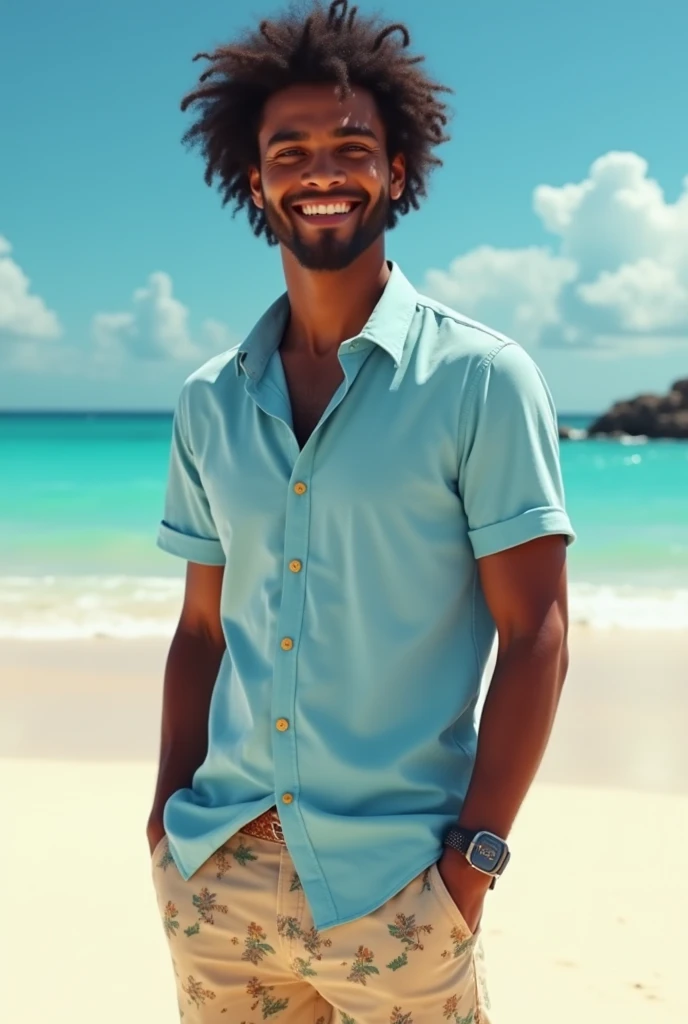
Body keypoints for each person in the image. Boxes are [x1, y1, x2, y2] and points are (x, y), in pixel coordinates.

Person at [147, 1, 576, 1021]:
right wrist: (164, 828)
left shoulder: (481, 378)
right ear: (254, 179)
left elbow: (536, 634)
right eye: (288, 149)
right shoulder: (209, 400)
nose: (320, 168)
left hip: (398, 891)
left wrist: (471, 866)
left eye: (351, 145)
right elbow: (203, 627)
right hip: (215, 881)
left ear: (396, 171)